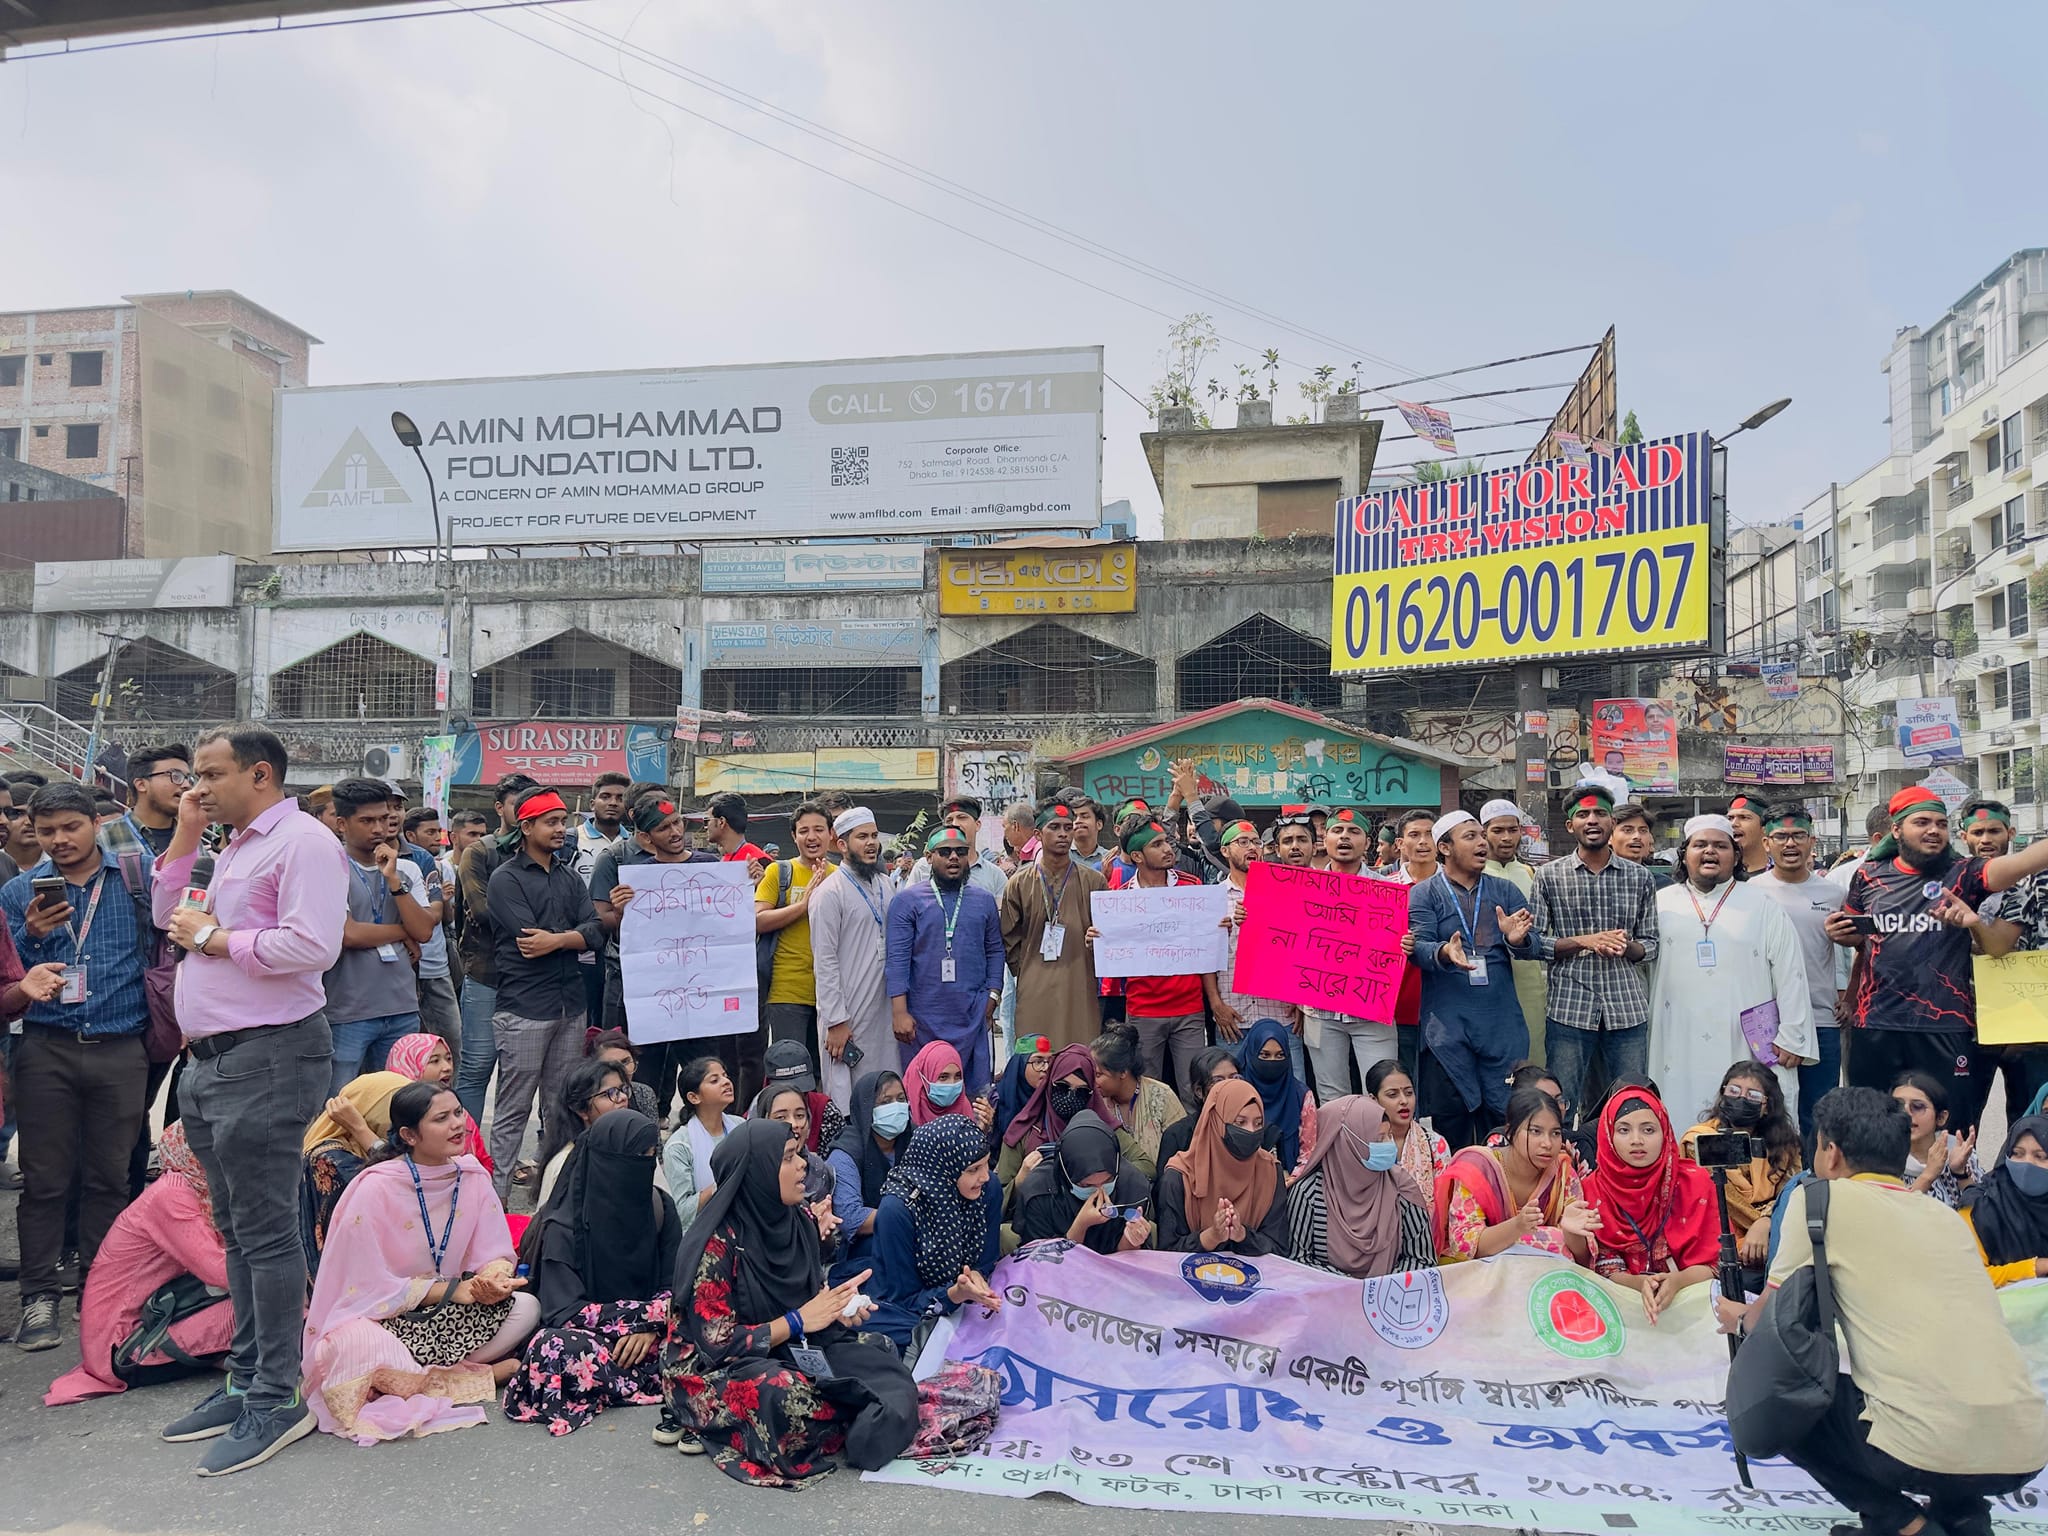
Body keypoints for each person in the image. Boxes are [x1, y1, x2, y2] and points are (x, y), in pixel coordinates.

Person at [1721, 1087, 2048, 1536]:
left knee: (1789, 1392)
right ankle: (1964, 1516)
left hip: (1919, 1450)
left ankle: (1901, 1522)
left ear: (1831, 1154)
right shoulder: (1946, 1218)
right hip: (2023, 1449)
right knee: (1941, 1380)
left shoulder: (1818, 1201)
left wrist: (1735, 1317)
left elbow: (1767, 1321)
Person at [153, 724, 346, 1475]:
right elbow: (168, 914)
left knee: (265, 1231)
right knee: (236, 1226)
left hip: (269, 1055)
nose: (193, 786)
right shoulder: (232, 842)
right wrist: (185, 835)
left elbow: (311, 946)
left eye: (208, 774)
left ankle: (277, 1395)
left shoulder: (301, 843)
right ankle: (246, 1378)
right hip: (210, 1062)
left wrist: (215, 941)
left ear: (259, 774)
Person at [662, 1118, 918, 1487]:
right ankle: (856, 1421)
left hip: (787, 1346)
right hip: (710, 1368)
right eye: (788, 1158)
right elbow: (717, 1346)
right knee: (782, 1393)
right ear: (758, 1171)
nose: (803, 1165)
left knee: (878, 1350)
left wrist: (838, 1311)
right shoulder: (716, 1245)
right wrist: (799, 1321)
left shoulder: (796, 1220)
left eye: (799, 1154)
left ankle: (852, 1420)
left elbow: (810, 1303)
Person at [301, 1083, 537, 1445]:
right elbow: (360, 1287)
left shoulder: (471, 1177)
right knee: (353, 1346)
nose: (458, 1124)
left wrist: (492, 1280)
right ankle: (473, 1376)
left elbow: (493, 1252)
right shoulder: (374, 1188)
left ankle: (430, 1376)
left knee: (525, 1307)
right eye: (442, 1118)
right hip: (382, 1318)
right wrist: (453, 1291)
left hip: (445, 1315)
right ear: (409, 1135)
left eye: (458, 1113)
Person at [3, 784, 143, 1350]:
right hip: (46, 1046)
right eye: (46, 830)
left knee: (109, 1177)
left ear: (94, 823)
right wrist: (28, 933)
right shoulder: (17, 892)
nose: (59, 840)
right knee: (44, 1181)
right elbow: (8, 972)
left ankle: (99, 1287)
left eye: (70, 827)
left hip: (120, 1046)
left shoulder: (136, 880)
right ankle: (39, 1296)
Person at [1832, 783, 2048, 1133]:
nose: (1933, 830)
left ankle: (1950, 1188)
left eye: (1941, 823)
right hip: (1876, 1024)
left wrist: (1972, 921)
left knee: (1949, 1132)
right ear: (1897, 829)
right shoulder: (1868, 875)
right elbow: (1857, 933)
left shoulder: (1965, 873)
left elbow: (2025, 861)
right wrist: (1839, 932)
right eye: (1922, 822)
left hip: (1943, 1026)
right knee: (1868, 1128)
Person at [503, 1110, 680, 1436]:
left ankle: (613, 1381)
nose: (646, 1165)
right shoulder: (564, 1225)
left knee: (709, 1332)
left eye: (651, 1156)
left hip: (652, 1336)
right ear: (609, 1160)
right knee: (552, 1346)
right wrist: (649, 1315)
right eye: (638, 1157)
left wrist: (651, 1328)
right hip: (588, 1334)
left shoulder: (660, 1207)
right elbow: (564, 1311)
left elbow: (674, 1283)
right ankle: (642, 1379)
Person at [46, 1122, 232, 1405]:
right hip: (123, 1348)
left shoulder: (188, 1186)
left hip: (137, 1325)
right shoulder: (173, 1198)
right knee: (274, 1305)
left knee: (269, 1292)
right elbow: (223, 1272)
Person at [1648, 815, 1817, 1123]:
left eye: (1720, 845)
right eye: (1700, 844)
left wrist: (1793, 1035)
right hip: (1675, 1037)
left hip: (1745, 1040)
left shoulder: (1762, 904)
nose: (1709, 851)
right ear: (1684, 854)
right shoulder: (1659, 903)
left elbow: (1790, 973)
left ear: (1736, 855)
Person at [485, 787, 605, 1198]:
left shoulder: (570, 877)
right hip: (524, 1007)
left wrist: (558, 940)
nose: (561, 829)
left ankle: (551, 1197)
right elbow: (527, 940)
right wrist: (573, 937)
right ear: (527, 826)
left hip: (571, 1004)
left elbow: (597, 932)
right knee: (513, 1108)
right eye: (551, 822)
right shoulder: (505, 879)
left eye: (562, 821)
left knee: (561, 1107)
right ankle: (496, 1200)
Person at [1528, 782, 1660, 1121]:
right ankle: (1566, 1169)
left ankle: (1623, 1171)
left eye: (1601, 813)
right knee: (1561, 1103)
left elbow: (1651, 944)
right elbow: (1535, 944)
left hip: (1627, 1009)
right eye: (1582, 814)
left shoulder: (1639, 878)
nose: (1592, 820)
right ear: (1570, 825)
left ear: (1611, 823)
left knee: (1631, 1102)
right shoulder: (1548, 877)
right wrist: (1584, 941)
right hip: (1570, 1008)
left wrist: (1625, 946)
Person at [1410, 810, 1539, 1150]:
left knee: (1503, 1124)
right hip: (1447, 1030)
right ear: (1445, 848)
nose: (1482, 842)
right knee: (1451, 1129)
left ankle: (1502, 1197)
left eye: (1482, 836)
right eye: (1470, 836)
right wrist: (1442, 952)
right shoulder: (1424, 894)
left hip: (1501, 1027)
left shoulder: (1505, 890)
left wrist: (1517, 940)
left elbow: (1534, 945)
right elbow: (1417, 948)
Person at [594, 792, 713, 1121]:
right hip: (652, 996)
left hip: (699, 995)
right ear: (645, 837)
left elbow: (729, 923)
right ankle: (643, 1135)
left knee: (703, 1072)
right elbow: (617, 931)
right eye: (663, 828)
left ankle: (702, 1139)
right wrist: (621, 911)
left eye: (677, 822)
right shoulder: (636, 878)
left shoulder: (711, 867)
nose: (675, 832)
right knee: (646, 1071)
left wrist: (749, 882)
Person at [322, 779, 435, 1093]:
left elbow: (424, 931)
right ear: (342, 824)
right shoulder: (330, 868)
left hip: (401, 1007)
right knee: (338, 1104)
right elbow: (350, 934)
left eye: (383, 820)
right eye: (366, 821)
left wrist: (394, 880)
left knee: (396, 1105)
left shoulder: (405, 870)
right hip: (347, 1011)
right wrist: (402, 933)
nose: (378, 829)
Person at [1100, 817, 1225, 1092]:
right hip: (1143, 1011)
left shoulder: (1193, 889)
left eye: (1166, 841)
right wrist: (1097, 940)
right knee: (1148, 1092)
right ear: (1137, 856)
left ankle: (1194, 1136)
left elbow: (1205, 949)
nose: (1168, 848)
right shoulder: (1119, 899)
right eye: (1157, 845)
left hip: (1189, 1009)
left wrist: (1220, 926)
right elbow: (1112, 956)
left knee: (1195, 1090)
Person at [865, 1116, 1004, 1353]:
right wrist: (954, 1294)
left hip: (965, 1296)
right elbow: (902, 1299)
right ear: (942, 1170)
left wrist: (979, 1276)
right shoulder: (898, 1210)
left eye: (986, 1164)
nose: (985, 1176)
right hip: (910, 1304)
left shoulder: (987, 1189)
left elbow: (987, 1260)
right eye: (973, 1169)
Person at [1750, 805, 1846, 1143]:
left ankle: (1815, 1185)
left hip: (1821, 1019)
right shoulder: (1749, 893)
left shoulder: (1833, 893)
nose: (1790, 844)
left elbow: (1849, 948)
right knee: (1768, 1113)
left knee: (1819, 1115)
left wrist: (1848, 992)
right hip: (1766, 1022)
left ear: (1812, 841)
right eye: (1780, 836)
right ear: (1766, 843)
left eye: (1798, 836)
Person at [888, 825, 1006, 1099]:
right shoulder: (907, 901)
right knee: (924, 1093)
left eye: (960, 852)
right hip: (921, 1019)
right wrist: (899, 1012)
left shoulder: (984, 901)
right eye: (945, 852)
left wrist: (992, 996)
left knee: (974, 1095)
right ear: (929, 857)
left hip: (971, 1013)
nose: (953, 857)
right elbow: (897, 959)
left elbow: (995, 951)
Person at [1581, 1087, 1716, 1322]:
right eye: (1624, 1130)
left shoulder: (1695, 1182)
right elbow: (1603, 1266)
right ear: (1607, 1135)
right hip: (1619, 1306)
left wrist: (1678, 1282)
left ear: (1665, 1133)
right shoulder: (1592, 1189)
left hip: (1691, 1302)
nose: (1637, 1140)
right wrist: (1638, 1283)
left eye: (1649, 1130)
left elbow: (1715, 1263)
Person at [453, 773, 539, 1125]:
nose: (523, 814)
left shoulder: (551, 852)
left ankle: (505, 1157)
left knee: (520, 1076)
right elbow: (485, 913)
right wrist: (545, 921)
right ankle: (466, 1151)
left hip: (535, 978)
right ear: (499, 807)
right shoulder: (480, 852)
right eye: (517, 805)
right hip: (487, 974)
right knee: (476, 1066)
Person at [1303, 807, 1406, 1101]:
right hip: (1319, 1012)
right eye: (1337, 831)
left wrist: (1406, 945)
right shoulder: (1303, 888)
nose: (1344, 837)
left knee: (1384, 1093)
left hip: (1372, 1009)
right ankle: (1339, 1149)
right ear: (1325, 838)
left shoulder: (1389, 891)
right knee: (1331, 1097)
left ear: (1367, 843)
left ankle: (1383, 1149)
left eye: (1353, 831)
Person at [1434, 1087, 1599, 1264]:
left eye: (1555, 1133)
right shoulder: (1479, 1170)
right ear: (1510, 1132)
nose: (1547, 1143)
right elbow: (1463, 1246)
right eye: (1535, 1131)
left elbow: (1582, 1260)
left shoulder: (1563, 1174)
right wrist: (1517, 1226)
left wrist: (1571, 1234)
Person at [999, 802, 1107, 1052]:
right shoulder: (1019, 883)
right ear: (1038, 834)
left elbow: (1108, 934)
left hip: (1080, 983)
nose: (1063, 834)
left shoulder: (1094, 881)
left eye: (1068, 828)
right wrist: (1028, 970)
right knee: (1035, 1055)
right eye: (1054, 827)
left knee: (1080, 1054)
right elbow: (1008, 938)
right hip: (1033, 985)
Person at [1287, 1094, 1434, 1278]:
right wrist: (1350, 1289)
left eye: (1389, 1135)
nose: (1390, 1145)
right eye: (1379, 1139)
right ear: (1347, 1142)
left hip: (1391, 1300)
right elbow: (1298, 1261)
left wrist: (1378, 1290)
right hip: (1328, 1300)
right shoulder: (1309, 1193)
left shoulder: (1402, 1188)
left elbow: (1422, 1259)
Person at [809, 806, 896, 1109]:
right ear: (843, 845)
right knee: (849, 1094)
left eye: (874, 835)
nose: (871, 843)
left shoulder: (885, 884)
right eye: (862, 837)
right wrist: (835, 1021)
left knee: (886, 1087)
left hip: (884, 1008)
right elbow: (825, 962)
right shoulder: (829, 893)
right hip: (848, 1012)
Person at [750, 801, 834, 1107]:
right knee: (790, 1071)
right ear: (794, 836)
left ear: (831, 834)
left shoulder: (840, 875)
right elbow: (757, 920)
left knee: (826, 1073)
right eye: (804, 831)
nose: (811, 837)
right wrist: (804, 904)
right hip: (787, 991)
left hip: (831, 993)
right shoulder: (779, 871)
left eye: (818, 830)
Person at [1680, 1061, 1801, 1269]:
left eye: (1752, 1095)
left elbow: (1791, 1192)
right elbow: (1727, 1200)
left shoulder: (1785, 1145)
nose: (1741, 1099)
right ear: (1723, 1094)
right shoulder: (1700, 1140)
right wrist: (1765, 1222)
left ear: (1767, 1106)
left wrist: (1767, 1223)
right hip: (1719, 1237)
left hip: (1771, 1235)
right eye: (1734, 1091)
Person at [1156, 1078, 1288, 1255]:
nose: (1251, 1131)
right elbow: (1166, 1252)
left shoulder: (1270, 1171)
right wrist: (1211, 1237)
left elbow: (1279, 1248)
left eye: (1258, 1124)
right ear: (1216, 1122)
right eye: (1240, 1123)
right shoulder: (1180, 1176)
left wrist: (1242, 1235)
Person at [300, 1071, 409, 1280]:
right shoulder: (330, 1157)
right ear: (370, 1112)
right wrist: (361, 1129)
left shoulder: (367, 1148)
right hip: (346, 1280)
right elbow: (398, 1185)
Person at [1217, 816, 1303, 1073]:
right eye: (1242, 842)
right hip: (1233, 1015)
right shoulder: (1213, 898)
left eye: (1256, 841)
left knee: (1293, 1089)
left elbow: (1301, 950)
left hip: (1280, 1013)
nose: (1251, 847)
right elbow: (1208, 957)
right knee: (1233, 1094)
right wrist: (1216, 1005)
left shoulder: (1286, 891)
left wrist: (1301, 1001)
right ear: (1224, 851)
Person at [1009, 1107, 1153, 1253]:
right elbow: (1042, 1265)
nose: (1099, 1193)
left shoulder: (1134, 1185)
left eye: (1107, 1181)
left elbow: (1126, 1266)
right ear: (1066, 1174)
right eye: (1086, 1185)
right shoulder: (1038, 1192)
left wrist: (1130, 1240)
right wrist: (1080, 1226)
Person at [996, 1041, 1117, 1186]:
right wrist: (1021, 1179)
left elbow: (1143, 1165)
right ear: (1050, 1084)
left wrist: (1107, 1178)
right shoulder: (1022, 1131)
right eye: (1062, 1086)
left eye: (1081, 1091)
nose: (1070, 1097)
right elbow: (999, 1198)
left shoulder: (1103, 1129)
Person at [1479, 798, 1549, 1050]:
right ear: (1483, 832)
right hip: (1488, 980)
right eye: (1498, 831)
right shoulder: (1474, 874)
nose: (1506, 838)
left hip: (1530, 980)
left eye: (1512, 830)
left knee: (1533, 1051)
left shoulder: (1532, 874)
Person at [825, 1070, 909, 1275]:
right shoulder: (846, 1152)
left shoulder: (914, 1138)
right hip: (866, 1246)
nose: (896, 1107)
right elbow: (851, 1217)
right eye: (885, 1102)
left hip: (914, 1232)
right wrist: (909, 1217)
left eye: (901, 1099)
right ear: (866, 1108)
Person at [386, 1032, 494, 1178]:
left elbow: (484, 1161)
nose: (447, 1067)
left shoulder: (458, 1110)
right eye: (434, 1061)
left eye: (448, 1059)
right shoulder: (387, 1111)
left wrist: (474, 1180)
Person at [1089, 1021, 1188, 1180]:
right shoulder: (1095, 1103)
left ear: (1122, 1072)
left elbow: (1184, 1151)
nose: (1092, 1081)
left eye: (1098, 1075)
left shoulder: (1162, 1096)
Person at [1960, 1115, 2048, 1286]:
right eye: (2017, 1154)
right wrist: (2036, 1267)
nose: (2027, 1163)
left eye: (2041, 1156)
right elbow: (1968, 1276)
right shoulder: (1978, 1206)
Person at [534, 1057, 631, 1208]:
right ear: (581, 1110)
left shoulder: (637, 1146)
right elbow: (551, 1226)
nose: (623, 1098)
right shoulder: (565, 1165)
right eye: (608, 1094)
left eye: (623, 1089)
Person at [661, 1055, 743, 1222]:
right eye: (714, 1080)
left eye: (725, 1076)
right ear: (694, 1097)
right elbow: (682, 1212)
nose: (726, 1082)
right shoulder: (679, 1146)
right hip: (706, 1236)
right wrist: (723, 1185)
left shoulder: (740, 1126)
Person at [1368, 1058, 1450, 1223]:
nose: (1404, 1101)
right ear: (1373, 1100)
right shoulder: (1363, 1143)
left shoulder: (1435, 1143)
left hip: (1428, 1238)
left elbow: (1446, 1204)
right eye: (1393, 1095)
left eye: (1408, 1092)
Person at [1232, 1016, 1316, 1176]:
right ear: (1251, 1054)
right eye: (1264, 1055)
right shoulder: (1235, 1092)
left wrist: (1293, 1178)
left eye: (1279, 1056)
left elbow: (1308, 1152)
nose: (1272, 1062)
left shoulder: (1302, 1096)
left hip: (1290, 1180)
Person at [1893, 1070, 1980, 1208]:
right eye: (1897, 1106)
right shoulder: (1882, 1159)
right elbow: (1890, 1216)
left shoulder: (1959, 1151)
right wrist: (1928, 1175)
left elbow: (1983, 1211)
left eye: (1917, 1106)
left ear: (1941, 1117)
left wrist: (1960, 1173)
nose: (1906, 1113)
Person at [1155, 1046, 1242, 1173]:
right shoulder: (1177, 1136)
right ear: (1199, 1091)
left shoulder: (1254, 1128)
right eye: (1218, 1081)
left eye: (1234, 1078)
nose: (1229, 1086)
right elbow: (1165, 1187)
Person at [902, 1038, 989, 1132]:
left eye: (957, 1076)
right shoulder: (905, 1115)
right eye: (943, 1077)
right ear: (924, 1076)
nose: (952, 1084)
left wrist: (980, 1132)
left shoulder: (964, 1109)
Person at [1611, 802, 1673, 888]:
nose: (1637, 836)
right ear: (1609, 837)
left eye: (1643, 831)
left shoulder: (1663, 884)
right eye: (1628, 830)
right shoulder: (1598, 881)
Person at [704, 792, 770, 867]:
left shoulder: (759, 862)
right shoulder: (725, 860)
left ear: (721, 822)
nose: (705, 827)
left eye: (707, 821)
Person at [1725, 792, 1772, 880]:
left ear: (1764, 827)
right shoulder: (1720, 876)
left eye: (1744, 817)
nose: (1733, 824)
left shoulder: (1782, 875)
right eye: (1730, 818)